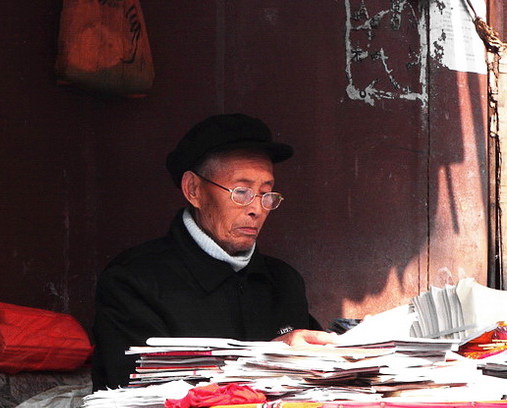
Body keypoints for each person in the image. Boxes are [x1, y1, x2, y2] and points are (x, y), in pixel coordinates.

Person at [91, 113, 336, 390]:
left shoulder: (284, 281)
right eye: (241, 191)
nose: (257, 208)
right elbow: (136, 389)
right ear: (193, 190)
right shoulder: (134, 281)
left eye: (266, 194)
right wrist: (268, 358)